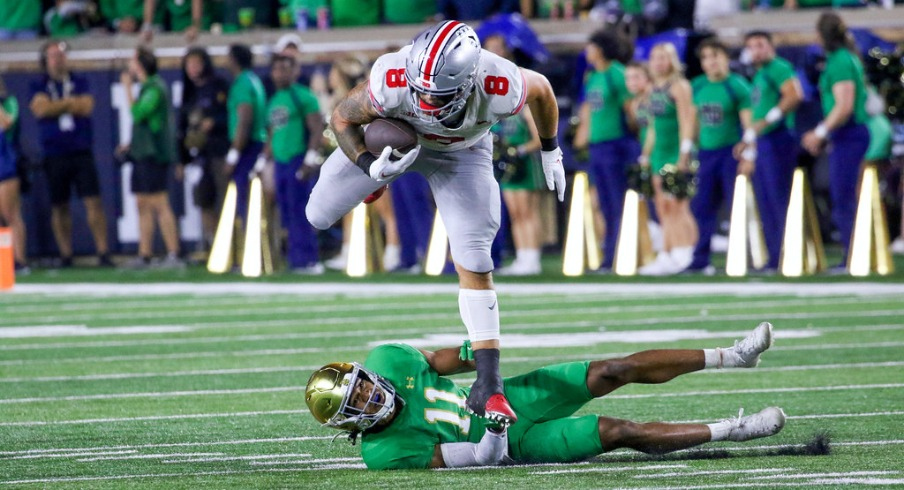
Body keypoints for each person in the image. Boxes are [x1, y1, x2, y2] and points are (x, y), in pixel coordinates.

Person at [306, 20, 566, 425]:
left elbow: (544, 91)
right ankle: (379, 185)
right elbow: (341, 118)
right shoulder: (391, 78)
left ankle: (490, 382)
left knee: (474, 255)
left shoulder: (500, 81)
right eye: (420, 90)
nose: (426, 101)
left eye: (437, 94)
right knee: (317, 214)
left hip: (462, 152)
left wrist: (551, 149)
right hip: (397, 143)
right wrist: (367, 164)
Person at [305, 322, 785, 469]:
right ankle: (735, 429)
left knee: (614, 369)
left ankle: (733, 356)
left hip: (516, 396)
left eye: (363, 384)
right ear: (350, 423)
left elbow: (461, 359)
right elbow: (477, 457)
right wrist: (495, 429)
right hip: (513, 442)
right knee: (619, 432)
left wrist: (484, 345)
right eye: (357, 402)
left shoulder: (390, 358)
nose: (369, 395)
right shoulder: (385, 452)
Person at [30, 40, 112, 268]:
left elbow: (86, 106)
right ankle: (66, 254)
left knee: (93, 201)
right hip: (55, 152)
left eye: (61, 55)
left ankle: (103, 252)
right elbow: (40, 108)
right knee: (59, 205)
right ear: (45, 60)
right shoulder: (39, 83)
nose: (58, 59)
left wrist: (56, 105)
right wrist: (69, 104)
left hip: (80, 149)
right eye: (53, 56)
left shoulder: (79, 80)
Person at [801, 12, 871, 268]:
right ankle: (855, 252)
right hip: (845, 133)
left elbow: (844, 106)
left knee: (843, 195)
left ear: (822, 35)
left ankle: (854, 254)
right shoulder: (842, 58)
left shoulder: (840, 60)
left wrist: (820, 132)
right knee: (842, 194)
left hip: (849, 133)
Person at [687, 38, 755, 274]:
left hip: (730, 152)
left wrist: (749, 153)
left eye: (715, 55)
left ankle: (743, 258)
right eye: (705, 57)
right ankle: (700, 259)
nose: (710, 62)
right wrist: (687, 149)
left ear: (726, 58)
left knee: (736, 206)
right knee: (702, 206)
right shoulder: (697, 85)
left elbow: (749, 124)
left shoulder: (736, 85)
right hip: (706, 153)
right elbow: (693, 122)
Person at [573, 29, 639, 273]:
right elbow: (589, 109)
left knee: (616, 202)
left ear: (600, 49)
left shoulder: (616, 73)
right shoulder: (593, 76)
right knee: (604, 203)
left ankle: (617, 255)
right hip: (598, 145)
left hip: (616, 144)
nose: (586, 52)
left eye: (590, 47)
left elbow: (631, 108)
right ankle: (609, 254)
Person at [738, 30, 803, 273]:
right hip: (765, 141)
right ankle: (775, 256)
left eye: (760, 45)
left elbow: (794, 95)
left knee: (777, 199)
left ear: (770, 46)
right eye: (751, 46)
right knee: (766, 201)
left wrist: (768, 121)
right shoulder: (760, 74)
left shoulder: (779, 67)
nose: (756, 50)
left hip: (778, 138)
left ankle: (785, 255)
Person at [484, 34, 544, 276]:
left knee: (528, 210)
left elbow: (541, 137)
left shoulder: (525, 106)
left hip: (524, 162)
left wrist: (518, 150)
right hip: (507, 164)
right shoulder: (498, 106)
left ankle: (533, 257)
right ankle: (522, 257)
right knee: (515, 212)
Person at [118, 47, 183, 269]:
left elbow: (138, 113)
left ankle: (173, 253)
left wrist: (127, 88)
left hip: (154, 154)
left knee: (159, 202)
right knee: (142, 203)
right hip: (142, 153)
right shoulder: (149, 87)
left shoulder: (155, 88)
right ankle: (144, 253)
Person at [638, 42, 698, 276]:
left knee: (678, 206)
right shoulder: (652, 89)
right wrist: (646, 153)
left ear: (672, 61)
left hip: (675, 151)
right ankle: (667, 252)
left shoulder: (679, 86)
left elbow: (687, 121)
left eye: (663, 58)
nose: (658, 62)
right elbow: (652, 127)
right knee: (662, 206)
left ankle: (685, 252)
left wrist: (684, 154)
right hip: (658, 153)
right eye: (654, 58)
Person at [264, 54, 325, 274]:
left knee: (302, 211)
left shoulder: (303, 96)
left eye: (284, 68)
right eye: (276, 69)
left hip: (297, 159)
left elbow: (317, 128)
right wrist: (264, 160)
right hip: (280, 162)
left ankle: (309, 259)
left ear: (294, 71)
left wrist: (310, 158)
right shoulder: (273, 100)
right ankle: (294, 259)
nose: (280, 73)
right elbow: (272, 135)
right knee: (287, 212)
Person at [179, 47, 231, 254]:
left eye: (196, 64)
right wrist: (181, 160)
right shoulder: (189, 92)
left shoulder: (219, 86)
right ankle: (212, 243)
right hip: (198, 156)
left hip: (219, 152)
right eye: (189, 65)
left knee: (224, 198)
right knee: (203, 200)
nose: (192, 69)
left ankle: (228, 244)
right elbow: (181, 128)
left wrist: (215, 123)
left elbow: (231, 116)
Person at [224, 44, 268, 224]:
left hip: (247, 148)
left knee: (243, 198)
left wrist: (233, 155)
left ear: (234, 60)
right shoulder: (254, 80)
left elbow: (245, 120)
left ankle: (249, 246)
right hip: (255, 145)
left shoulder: (242, 83)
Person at [0, 76, 27, 272]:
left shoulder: (8, 102)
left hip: (4, 162)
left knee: (10, 213)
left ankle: (19, 260)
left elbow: (7, 123)